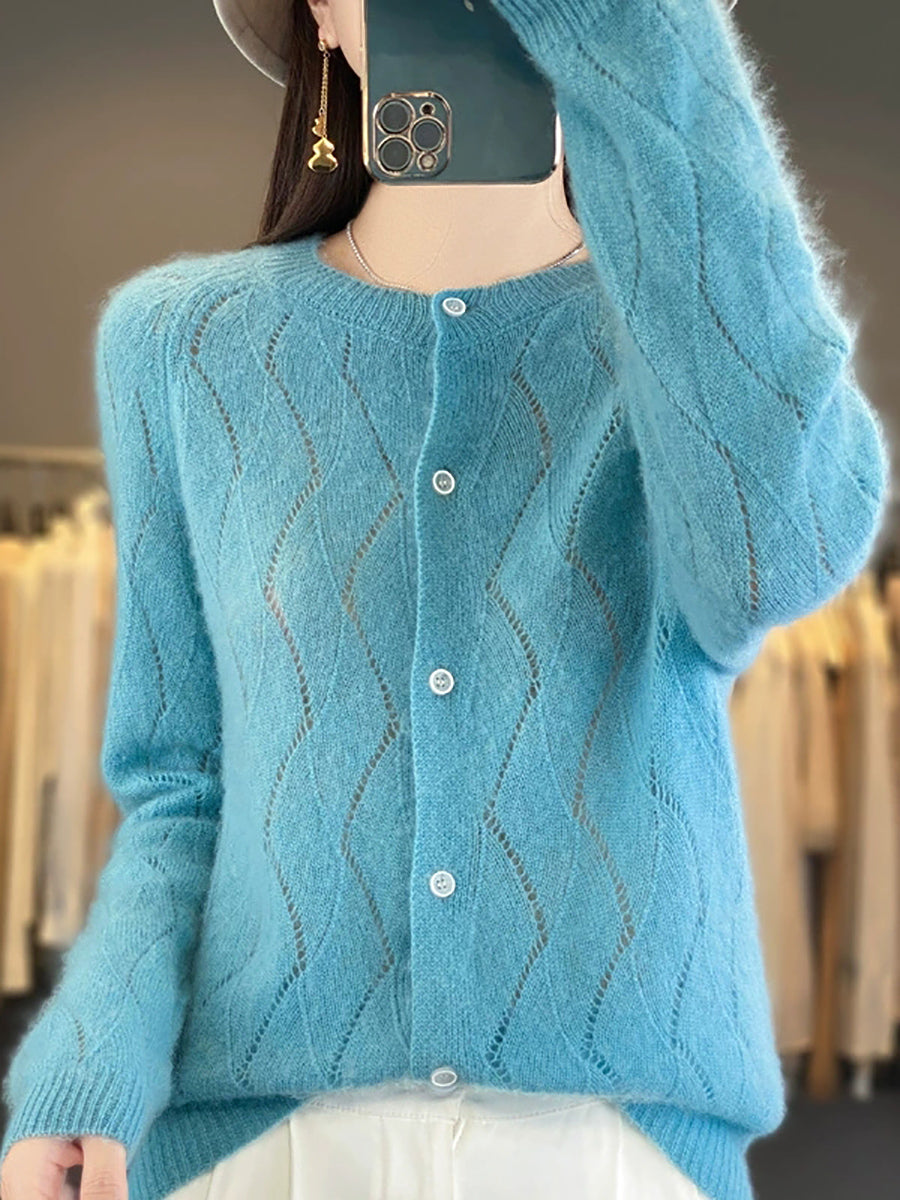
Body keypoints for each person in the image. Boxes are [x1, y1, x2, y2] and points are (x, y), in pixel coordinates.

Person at [0, 1, 891, 1199]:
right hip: (268, 1151)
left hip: (611, 1153)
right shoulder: (183, 345)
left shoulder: (686, 360)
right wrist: (87, 1063)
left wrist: (636, 39)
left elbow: (781, 555)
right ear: (320, 12)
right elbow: (179, 784)